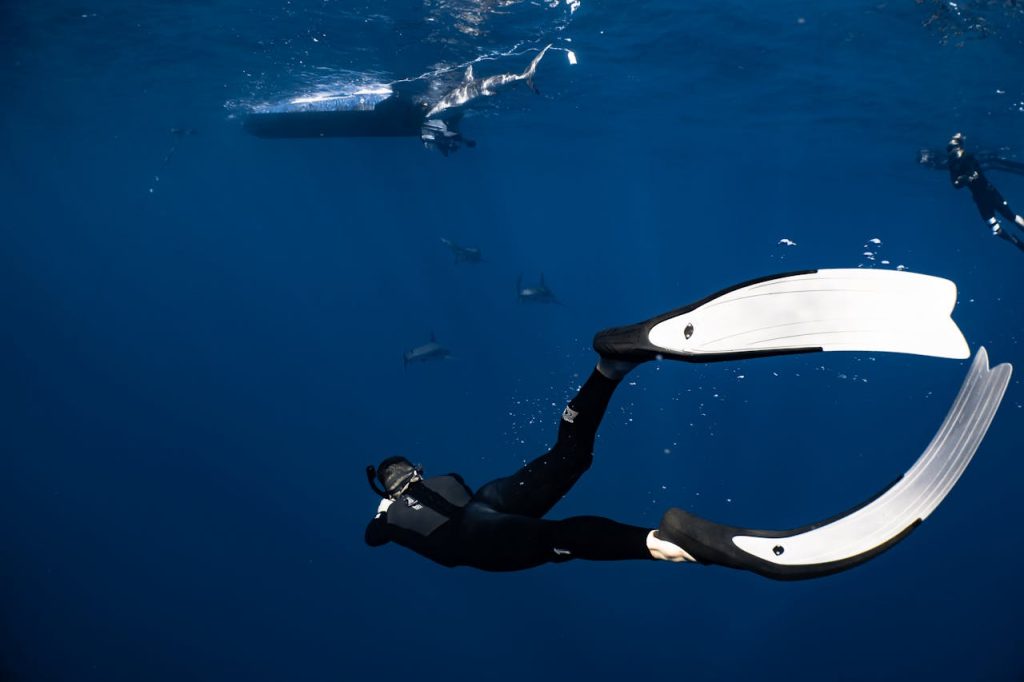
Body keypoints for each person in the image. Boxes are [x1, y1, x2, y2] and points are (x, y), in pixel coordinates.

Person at [365, 270, 1012, 580]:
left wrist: (383, 512)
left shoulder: (387, 516)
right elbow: (437, 500)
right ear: (410, 470)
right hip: (486, 500)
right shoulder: (429, 481)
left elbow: (380, 535)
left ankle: (661, 541)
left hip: (478, 532)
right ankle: (609, 366)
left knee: (564, 538)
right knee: (570, 456)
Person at [946, 132, 1024, 252]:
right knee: (996, 230)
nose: (949, 152)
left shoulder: (969, 157)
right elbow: (956, 185)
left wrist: (963, 179)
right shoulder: (953, 165)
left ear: (958, 147)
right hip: (979, 200)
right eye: (948, 149)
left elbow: (972, 174)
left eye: (950, 148)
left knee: (1011, 217)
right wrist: (963, 179)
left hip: (990, 193)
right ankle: (1017, 243)